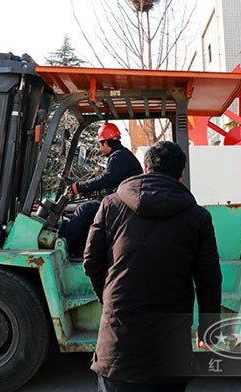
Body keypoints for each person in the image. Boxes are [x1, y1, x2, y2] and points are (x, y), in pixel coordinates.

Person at [83, 141, 222, 392]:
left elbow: (92, 262)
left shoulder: (110, 206)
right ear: (180, 175)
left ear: (145, 169)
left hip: (118, 345)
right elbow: (208, 278)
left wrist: (109, 302)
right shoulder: (197, 217)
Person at [60, 122, 142, 256]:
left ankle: (66, 247)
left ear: (105, 142)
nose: (100, 147)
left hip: (124, 204)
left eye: (100, 144)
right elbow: (110, 181)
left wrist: (81, 186)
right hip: (125, 201)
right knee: (90, 208)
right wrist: (88, 188)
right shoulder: (121, 155)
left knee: (84, 210)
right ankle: (81, 249)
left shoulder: (118, 156)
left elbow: (107, 179)